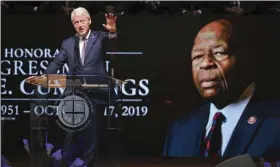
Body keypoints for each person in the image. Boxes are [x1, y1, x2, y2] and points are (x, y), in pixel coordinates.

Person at [163, 18, 280, 159]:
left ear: (246, 57)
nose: (206, 63)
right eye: (198, 56)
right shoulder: (180, 130)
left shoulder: (275, 122)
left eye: (219, 53)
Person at [28, 7, 118, 166]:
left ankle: (88, 164)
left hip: (96, 93)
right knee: (70, 133)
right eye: (76, 22)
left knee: (92, 133)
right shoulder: (68, 43)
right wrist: (44, 77)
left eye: (82, 21)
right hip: (75, 93)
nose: (80, 25)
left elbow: (111, 45)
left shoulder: (100, 37)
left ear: (89, 21)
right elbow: (57, 63)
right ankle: (66, 163)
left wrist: (112, 32)